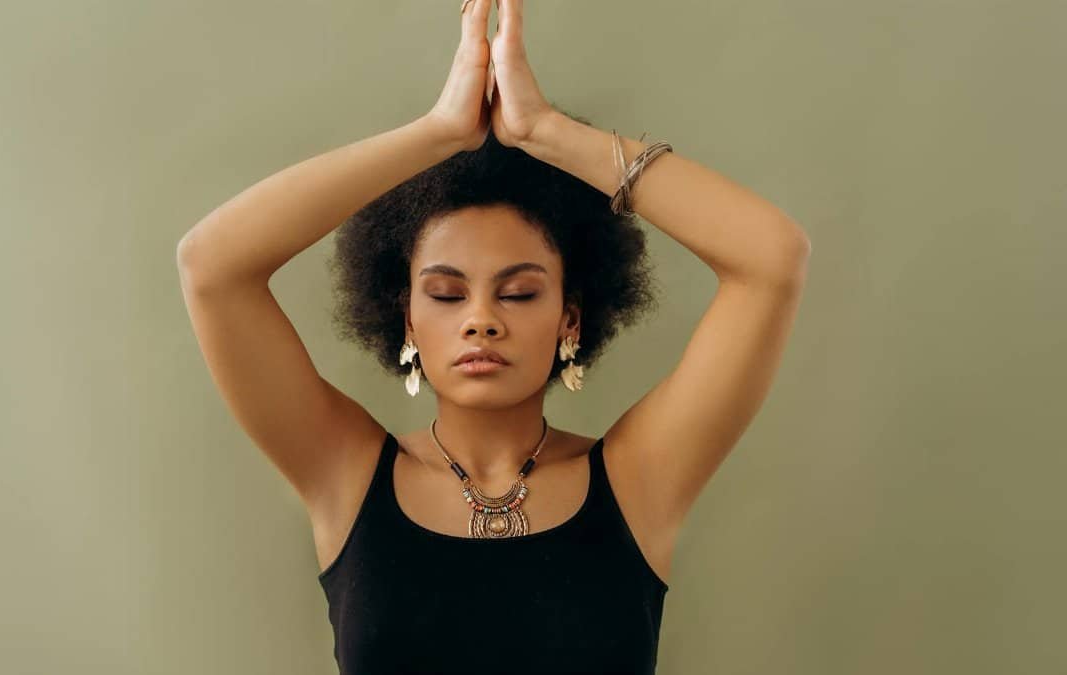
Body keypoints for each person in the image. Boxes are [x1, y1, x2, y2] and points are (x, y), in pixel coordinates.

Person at [175, 1, 810, 672]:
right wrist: (439, 134)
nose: (482, 318)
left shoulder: (637, 480)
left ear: (571, 317)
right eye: (447, 294)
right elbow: (211, 265)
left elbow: (771, 258)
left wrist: (548, 134)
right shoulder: (347, 475)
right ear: (408, 318)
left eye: (519, 291)